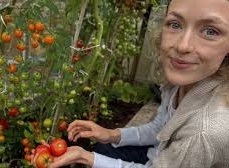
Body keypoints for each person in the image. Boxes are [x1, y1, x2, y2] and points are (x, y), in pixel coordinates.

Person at [49, 0, 229, 167]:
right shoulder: (183, 81)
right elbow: (160, 128)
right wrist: (111, 134)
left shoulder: (204, 134)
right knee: (104, 148)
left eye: (210, 31)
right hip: (158, 155)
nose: (183, 46)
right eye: (175, 24)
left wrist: (85, 157)